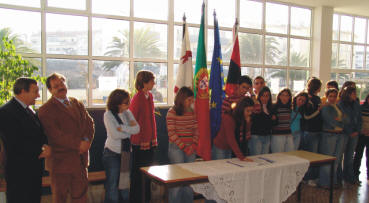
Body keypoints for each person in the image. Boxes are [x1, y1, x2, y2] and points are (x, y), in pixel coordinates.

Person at [38, 73, 95, 203]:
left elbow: (89, 123)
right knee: (60, 199)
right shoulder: (45, 110)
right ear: (50, 90)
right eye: (56, 86)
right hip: (60, 164)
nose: (60, 87)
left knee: (81, 197)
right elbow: (55, 136)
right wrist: (78, 145)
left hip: (80, 161)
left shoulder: (76, 103)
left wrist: (86, 141)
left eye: (62, 84)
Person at [0, 77, 50, 203]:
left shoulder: (29, 110)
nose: (38, 95)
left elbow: (39, 133)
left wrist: (46, 145)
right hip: (19, 172)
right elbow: (14, 143)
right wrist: (40, 150)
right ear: (23, 91)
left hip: (33, 169)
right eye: (35, 91)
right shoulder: (6, 112)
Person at [103, 89, 139, 203]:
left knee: (125, 184)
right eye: (126, 103)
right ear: (117, 103)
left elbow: (137, 129)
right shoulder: (108, 115)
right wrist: (128, 132)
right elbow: (114, 134)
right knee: (112, 184)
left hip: (126, 153)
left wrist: (122, 128)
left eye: (129, 102)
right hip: (111, 153)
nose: (128, 105)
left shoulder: (128, 114)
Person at [129, 70, 158, 203]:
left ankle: (146, 198)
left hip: (149, 140)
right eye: (152, 80)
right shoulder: (137, 97)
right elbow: (132, 119)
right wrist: (140, 137)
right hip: (139, 142)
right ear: (145, 82)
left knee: (148, 172)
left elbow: (150, 118)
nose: (154, 83)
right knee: (138, 174)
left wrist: (153, 137)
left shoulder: (149, 96)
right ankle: (137, 199)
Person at [166, 87, 198, 203]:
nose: (191, 102)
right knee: (177, 181)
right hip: (176, 148)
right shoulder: (172, 112)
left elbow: (196, 129)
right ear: (182, 99)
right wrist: (184, 147)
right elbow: (172, 133)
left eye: (192, 99)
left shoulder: (192, 111)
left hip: (191, 148)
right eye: (189, 100)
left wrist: (194, 144)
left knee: (189, 181)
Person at [318, 88, 344, 188]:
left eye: (334, 96)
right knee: (327, 159)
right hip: (329, 135)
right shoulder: (325, 107)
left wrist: (340, 121)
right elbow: (329, 120)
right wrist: (339, 122)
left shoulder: (338, 107)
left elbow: (346, 119)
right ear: (327, 97)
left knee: (336, 160)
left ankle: (332, 181)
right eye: (330, 96)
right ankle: (324, 182)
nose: (333, 98)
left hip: (339, 135)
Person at [338, 86, 362, 185]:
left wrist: (357, 130)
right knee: (339, 156)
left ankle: (349, 177)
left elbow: (359, 118)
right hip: (344, 133)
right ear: (348, 94)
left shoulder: (356, 104)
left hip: (355, 133)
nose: (355, 96)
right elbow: (343, 120)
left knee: (349, 156)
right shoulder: (341, 104)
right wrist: (349, 131)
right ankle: (338, 177)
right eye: (353, 94)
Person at [302, 77, 322, 185]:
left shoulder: (316, 99)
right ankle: (308, 178)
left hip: (315, 130)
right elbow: (306, 116)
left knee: (313, 155)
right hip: (310, 131)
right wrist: (318, 111)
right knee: (310, 156)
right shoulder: (309, 99)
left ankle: (310, 177)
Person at [249, 86, 275, 155]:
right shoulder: (256, 105)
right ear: (260, 96)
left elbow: (274, 123)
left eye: (267, 96)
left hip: (267, 136)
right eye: (263, 96)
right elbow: (257, 121)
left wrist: (273, 119)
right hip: (257, 136)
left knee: (265, 158)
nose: (265, 98)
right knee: (256, 158)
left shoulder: (271, 107)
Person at [271, 88, 293, 153]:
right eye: (283, 95)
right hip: (278, 135)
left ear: (289, 97)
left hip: (288, 134)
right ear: (279, 96)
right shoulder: (274, 107)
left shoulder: (290, 107)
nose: (284, 97)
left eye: (287, 96)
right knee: (278, 155)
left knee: (290, 154)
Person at [353, 93, 369, 184]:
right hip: (361, 134)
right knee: (358, 155)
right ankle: (355, 174)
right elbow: (358, 121)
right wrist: (361, 130)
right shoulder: (361, 108)